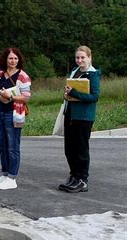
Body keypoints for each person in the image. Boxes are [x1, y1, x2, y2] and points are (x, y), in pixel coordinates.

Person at [58, 46, 100, 193]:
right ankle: (74, 176)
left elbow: (94, 97)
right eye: (77, 58)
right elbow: (70, 92)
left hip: (84, 117)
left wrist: (74, 92)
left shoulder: (93, 74)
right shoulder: (75, 72)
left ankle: (82, 179)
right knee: (69, 149)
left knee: (81, 149)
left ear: (89, 57)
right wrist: (67, 95)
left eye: (83, 57)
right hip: (70, 115)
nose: (80, 60)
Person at [0, 48, 31, 190]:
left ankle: (12, 177)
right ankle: (5, 173)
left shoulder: (22, 76)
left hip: (13, 114)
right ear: (5, 60)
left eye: (15, 59)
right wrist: (0, 97)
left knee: (13, 146)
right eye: (10, 59)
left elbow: (26, 96)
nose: (13, 61)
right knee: (2, 145)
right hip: (0, 112)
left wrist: (10, 96)